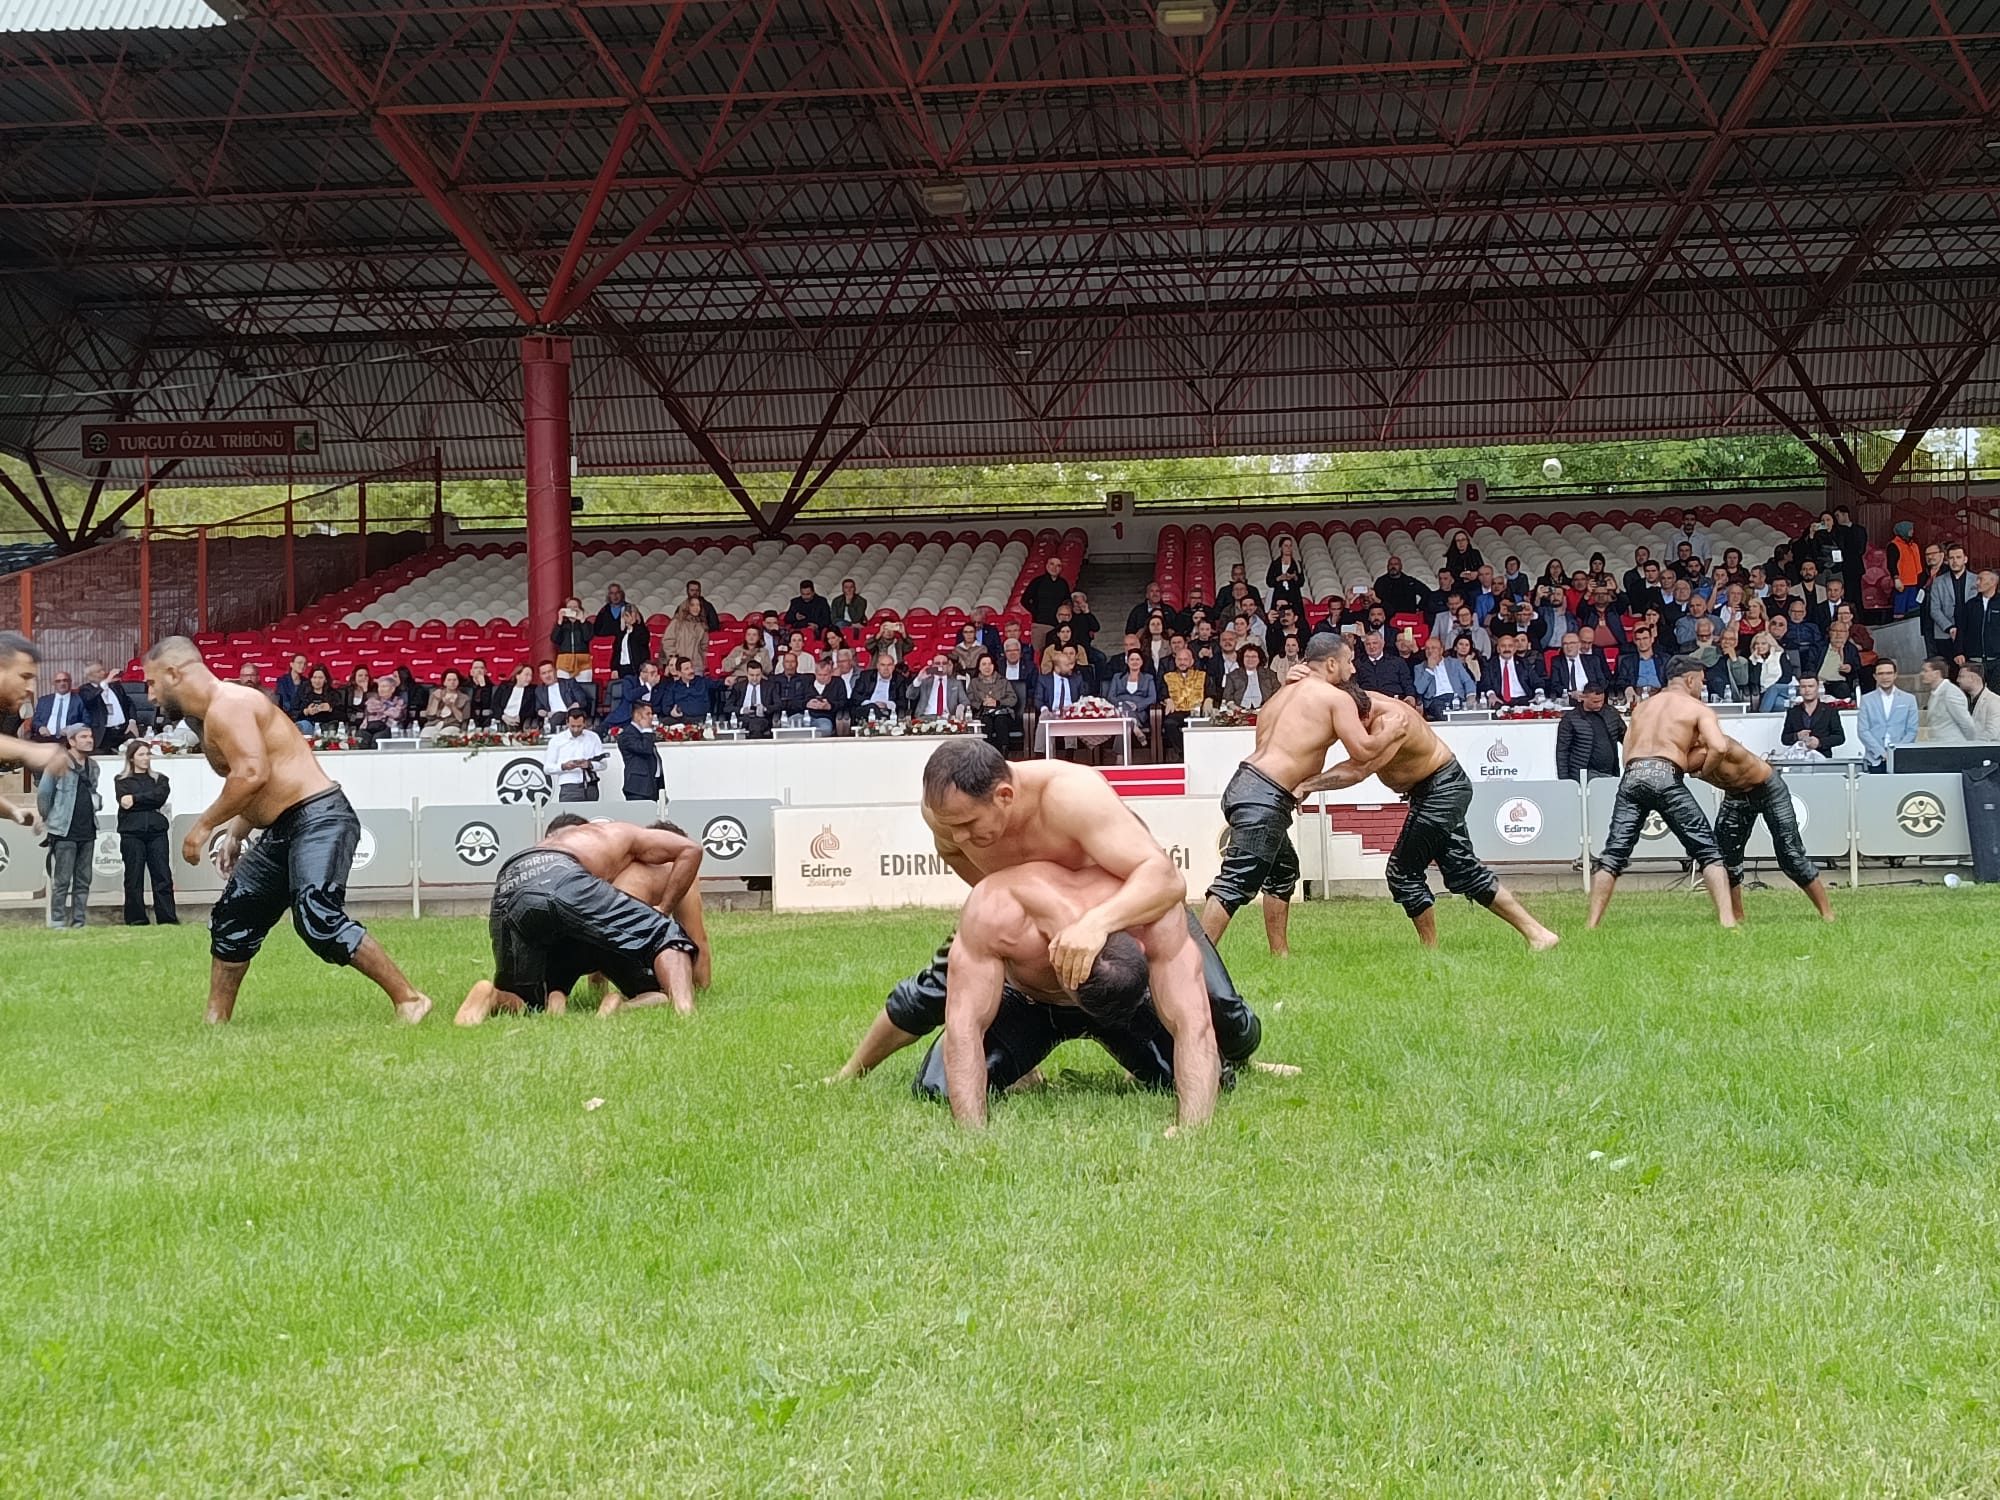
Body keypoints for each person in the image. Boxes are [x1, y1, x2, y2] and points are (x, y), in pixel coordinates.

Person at [845, 740, 1229, 1129]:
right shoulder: (947, 819)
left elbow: (1164, 879)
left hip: (1120, 936)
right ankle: (849, 1072)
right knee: (933, 1024)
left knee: (1224, 1019)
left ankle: (1245, 1056)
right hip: (1026, 968)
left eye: (968, 826)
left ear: (1004, 796)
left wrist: (1095, 925)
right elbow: (963, 1025)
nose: (958, 836)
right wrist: (998, 907)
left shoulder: (1072, 796)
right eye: (952, 827)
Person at [141, 637, 431, 1024]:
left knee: (316, 915)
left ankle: (410, 999)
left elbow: (251, 773)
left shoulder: (230, 704)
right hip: (284, 825)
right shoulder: (212, 715)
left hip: (320, 817)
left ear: (174, 673)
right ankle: (215, 1020)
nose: (149, 695)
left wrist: (204, 826)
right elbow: (266, 777)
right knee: (234, 915)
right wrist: (237, 833)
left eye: (152, 683)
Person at [1200, 635, 1408, 955]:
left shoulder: (1282, 694)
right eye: (1349, 661)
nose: (1353, 669)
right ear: (1331, 664)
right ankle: (1190, 964)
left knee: (1283, 871)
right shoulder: (1333, 698)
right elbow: (1363, 751)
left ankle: (1280, 954)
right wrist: (1393, 731)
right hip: (1265, 797)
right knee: (1233, 885)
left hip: (1246, 784)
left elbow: (1290, 743)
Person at [456, 815, 703, 1024]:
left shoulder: (554, 842)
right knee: (665, 934)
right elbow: (691, 850)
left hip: (509, 881)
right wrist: (663, 908)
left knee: (527, 1002)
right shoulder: (620, 832)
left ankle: (489, 995)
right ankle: (685, 1011)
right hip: (560, 874)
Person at [1585, 656, 1735, 930]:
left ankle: (1592, 925)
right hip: (1666, 774)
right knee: (1709, 851)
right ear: (1690, 680)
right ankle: (1727, 922)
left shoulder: (1642, 707)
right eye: (1701, 681)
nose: (1702, 687)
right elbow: (1720, 746)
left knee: (1613, 854)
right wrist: (1700, 772)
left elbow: (1627, 751)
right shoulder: (1696, 707)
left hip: (1633, 775)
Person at [1688, 735, 1834, 922]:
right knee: (1726, 861)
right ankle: (1738, 917)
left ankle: (1827, 914)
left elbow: (1714, 751)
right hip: (1735, 796)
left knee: (1792, 856)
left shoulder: (1715, 744)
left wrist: (1699, 770)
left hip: (1768, 789)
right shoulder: (1682, 752)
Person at [36, 724, 98, 928]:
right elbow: (44, 794)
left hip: (88, 830)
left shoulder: (94, 766)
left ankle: (79, 921)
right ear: (71, 741)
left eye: (90, 736)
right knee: (62, 880)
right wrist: (49, 819)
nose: (89, 740)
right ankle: (58, 921)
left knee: (84, 880)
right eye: (83, 736)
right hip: (63, 830)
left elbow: (93, 792)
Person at [115, 738, 177, 926]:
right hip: (131, 833)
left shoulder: (160, 779)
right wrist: (142, 800)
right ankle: (136, 919)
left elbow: (159, 798)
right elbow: (124, 802)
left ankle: (167, 918)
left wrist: (135, 798)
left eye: (148, 753)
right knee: (133, 877)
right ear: (132, 758)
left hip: (156, 831)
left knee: (162, 876)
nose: (146, 758)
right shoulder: (121, 780)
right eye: (141, 754)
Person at [1555, 682, 1623, 781]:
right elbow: (1562, 752)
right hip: (1583, 774)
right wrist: (1565, 780)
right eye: (1595, 702)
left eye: (1602, 701)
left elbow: (1626, 737)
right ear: (1583, 697)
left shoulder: (1611, 713)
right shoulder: (1570, 719)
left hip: (1611, 771)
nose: (1599, 705)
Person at [1857, 659, 1917, 771]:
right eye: (1881, 673)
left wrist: (1897, 752)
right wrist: (1881, 752)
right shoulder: (1867, 700)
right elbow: (1863, 730)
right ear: (1875, 676)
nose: (1885, 677)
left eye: (1889, 673)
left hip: (1901, 758)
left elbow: (1912, 730)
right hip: (1875, 759)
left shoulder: (1909, 699)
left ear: (1895, 675)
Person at [544, 704, 606, 801]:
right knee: (569, 815)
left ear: (585, 723)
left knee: (592, 815)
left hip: (591, 785)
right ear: (567, 723)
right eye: (572, 726)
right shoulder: (557, 740)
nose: (576, 729)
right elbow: (547, 768)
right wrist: (563, 766)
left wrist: (589, 764)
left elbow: (604, 764)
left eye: (579, 726)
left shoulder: (593, 738)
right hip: (569, 786)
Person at [964, 653, 1018, 752]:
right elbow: (969, 700)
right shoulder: (974, 683)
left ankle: (1003, 752)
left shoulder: (1003, 681)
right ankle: (985, 753)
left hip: (1002, 713)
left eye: (990, 664)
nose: (987, 667)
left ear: (994, 666)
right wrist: (981, 704)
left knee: (1000, 720)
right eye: (984, 664)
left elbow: (1013, 699)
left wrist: (997, 702)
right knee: (986, 721)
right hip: (983, 713)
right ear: (979, 667)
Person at [1780, 675, 1844, 756]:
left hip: (1823, 759)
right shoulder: (1792, 712)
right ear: (1799, 689)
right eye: (1803, 686)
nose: (1807, 690)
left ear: (1817, 688)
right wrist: (1797, 736)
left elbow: (1840, 737)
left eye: (1811, 686)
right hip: (1798, 759)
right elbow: (1784, 739)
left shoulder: (1830, 711)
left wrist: (1819, 742)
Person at [618, 703, 665, 799]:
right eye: (648, 714)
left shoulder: (644, 734)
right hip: (638, 787)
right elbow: (645, 749)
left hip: (653, 785)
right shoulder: (627, 735)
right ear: (638, 716)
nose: (651, 717)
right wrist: (647, 730)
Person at [1221, 641, 1279, 710]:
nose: (1250, 659)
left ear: (1259, 659)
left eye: (1254, 657)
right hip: (1239, 710)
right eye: (1247, 656)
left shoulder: (1269, 674)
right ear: (1242, 658)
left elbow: (1277, 692)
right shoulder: (1233, 675)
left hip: (1264, 709)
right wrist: (1234, 707)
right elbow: (1227, 696)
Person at [32, 670, 89, 741]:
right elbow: (35, 720)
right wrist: (40, 727)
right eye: (58, 681)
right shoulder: (43, 700)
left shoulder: (79, 700)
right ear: (53, 684)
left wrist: (72, 728)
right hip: (45, 738)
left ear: (70, 682)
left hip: (68, 739)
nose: (62, 683)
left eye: (65, 680)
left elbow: (86, 722)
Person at [909, 652, 966, 722]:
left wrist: (961, 706)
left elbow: (965, 701)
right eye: (938, 663)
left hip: (948, 718)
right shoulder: (925, 680)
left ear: (948, 665)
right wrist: (918, 679)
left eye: (944, 663)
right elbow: (910, 695)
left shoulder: (956, 683)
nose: (941, 665)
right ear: (932, 665)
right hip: (925, 718)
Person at [418, 667, 471, 741]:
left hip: (452, 725)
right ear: (444, 682)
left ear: (458, 682)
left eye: (455, 680)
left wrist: (452, 706)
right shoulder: (436, 694)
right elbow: (430, 716)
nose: (452, 682)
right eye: (449, 680)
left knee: (445, 736)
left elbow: (462, 719)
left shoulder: (465, 698)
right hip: (434, 724)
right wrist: (436, 700)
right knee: (425, 734)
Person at [729, 658, 777, 737]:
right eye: (751, 675)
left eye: (758, 675)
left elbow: (778, 705)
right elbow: (727, 707)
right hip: (743, 718)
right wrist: (742, 710)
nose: (755, 678)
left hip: (761, 718)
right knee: (749, 725)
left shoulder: (769, 686)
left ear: (761, 674)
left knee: (756, 725)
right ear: (747, 674)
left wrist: (765, 708)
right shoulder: (738, 687)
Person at [1021, 555, 1074, 627]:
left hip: (1058, 624)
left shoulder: (1063, 584)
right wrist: (1036, 613)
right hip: (1039, 623)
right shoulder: (1037, 582)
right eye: (1052, 564)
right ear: (1046, 566)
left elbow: (1067, 601)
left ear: (1061, 568)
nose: (1054, 568)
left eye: (1058, 565)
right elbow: (1024, 600)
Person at [660, 655, 711, 725]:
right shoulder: (672, 687)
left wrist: (727, 681)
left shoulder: (702, 681)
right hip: (680, 719)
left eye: (691, 667)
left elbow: (720, 683)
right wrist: (671, 712)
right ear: (679, 673)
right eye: (687, 669)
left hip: (700, 718)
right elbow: (666, 707)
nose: (691, 671)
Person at [551, 595, 593, 680]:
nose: (572, 609)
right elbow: (555, 639)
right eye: (569, 607)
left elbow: (587, 637)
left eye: (575, 607)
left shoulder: (586, 624)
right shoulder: (562, 625)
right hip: (564, 661)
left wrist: (582, 621)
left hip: (582, 661)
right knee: (564, 689)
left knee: (584, 688)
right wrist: (559, 621)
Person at [295, 665, 342, 735]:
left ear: (325, 679)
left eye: (320, 678)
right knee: (301, 725)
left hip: (328, 725)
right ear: (310, 679)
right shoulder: (302, 692)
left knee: (332, 728)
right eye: (314, 677)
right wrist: (306, 711)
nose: (317, 681)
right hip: (308, 724)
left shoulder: (334, 694)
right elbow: (292, 713)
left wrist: (330, 709)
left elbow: (343, 716)